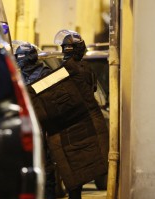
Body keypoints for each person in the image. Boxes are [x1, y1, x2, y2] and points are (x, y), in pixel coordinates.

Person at [20, 30, 109, 199]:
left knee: (73, 174)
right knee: (78, 174)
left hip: (69, 129)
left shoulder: (65, 72)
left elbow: (40, 93)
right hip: (82, 126)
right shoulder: (86, 70)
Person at [14, 43, 57, 199]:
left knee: (47, 173)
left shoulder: (45, 74)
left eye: (21, 57)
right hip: (25, 129)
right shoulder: (19, 76)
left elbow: (53, 102)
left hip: (44, 129)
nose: (19, 61)